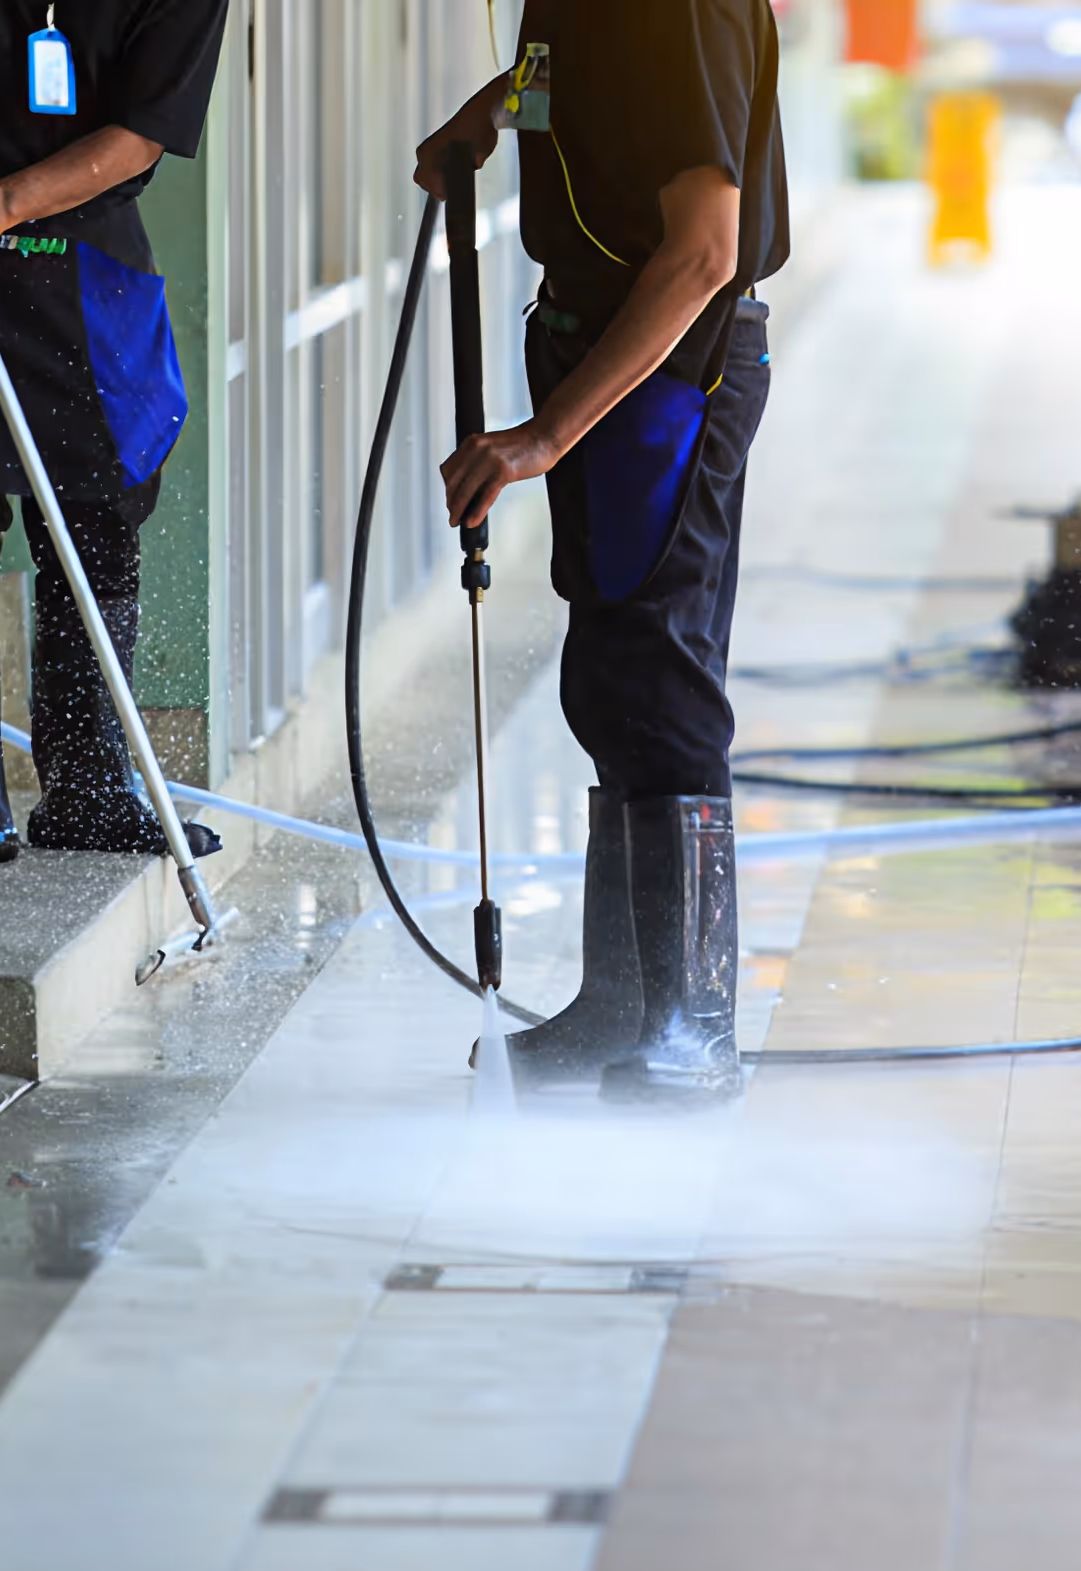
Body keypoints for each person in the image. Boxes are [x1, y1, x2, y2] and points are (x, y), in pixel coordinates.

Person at [418, 0, 790, 1104]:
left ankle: (695, 1025)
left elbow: (703, 253)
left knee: (661, 676)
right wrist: (490, 117)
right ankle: (623, 1005)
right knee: (611, 679)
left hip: (675, 367)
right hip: (592, 337)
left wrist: (545, 435)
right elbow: (576, 80)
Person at [0, 0, 229, 866]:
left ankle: (90, 791)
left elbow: (141, 133)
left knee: (99, 516)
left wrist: (4, 202)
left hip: (84, 253)